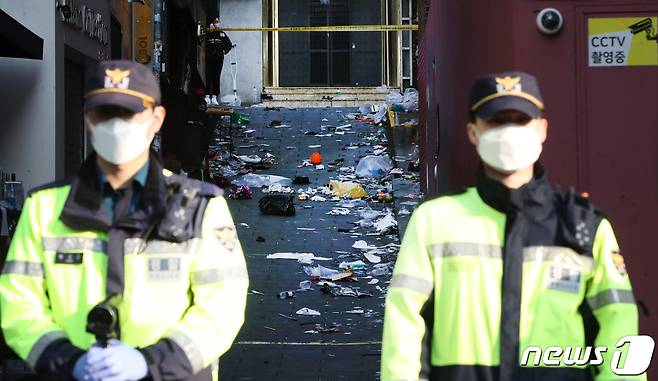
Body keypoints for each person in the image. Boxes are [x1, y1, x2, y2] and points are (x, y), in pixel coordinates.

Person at [381, 72, 643, 381]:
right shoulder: (435, 222)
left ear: (542, 129)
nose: (508, 132)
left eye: (521, 120)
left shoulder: (583, 225)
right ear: (473, 133)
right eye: (496, 121)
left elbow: (619, 328)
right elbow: (405, 329)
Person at [0, 60, 249, 381]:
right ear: (88, 120)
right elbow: (18, 305)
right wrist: (68, 362)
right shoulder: (44, 208)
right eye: (104, 114)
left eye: (129, 114)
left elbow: (222, 308)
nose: (116, 126)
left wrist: (150, 364)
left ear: (156, 119)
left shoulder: (200, 206)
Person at [205, 17, 233, 107]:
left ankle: (214, 97)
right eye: (215, 22)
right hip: (209, 58)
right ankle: (207, 96)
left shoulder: (222, 34)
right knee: (208, 77)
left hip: (219, 59)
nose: (217, 24)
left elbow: (229, 44)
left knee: (216, 77)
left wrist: (224, 51)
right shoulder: (207, 33)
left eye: (218, 22)